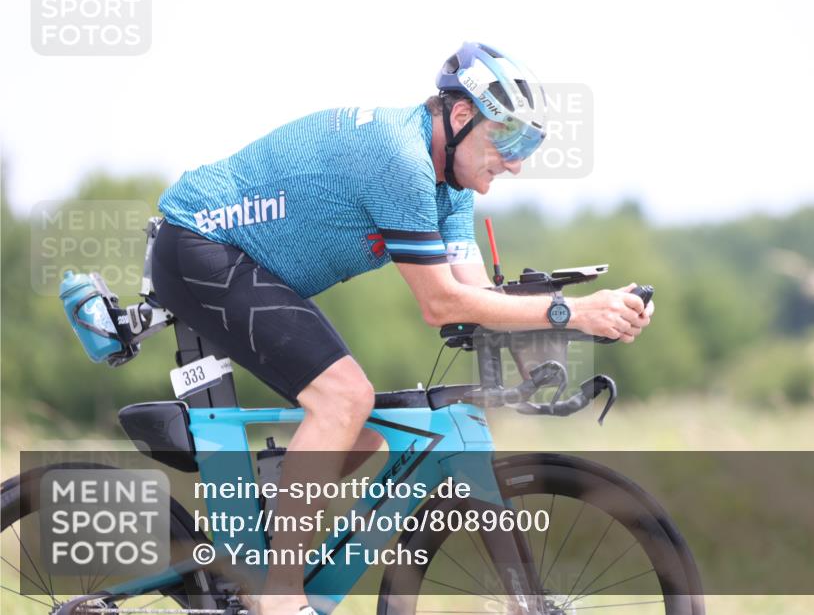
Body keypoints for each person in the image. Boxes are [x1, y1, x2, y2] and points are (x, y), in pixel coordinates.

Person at [150, 41, 654, 615]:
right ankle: (280, 596)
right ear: (461, 116)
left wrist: (576, 332)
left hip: (245, 262)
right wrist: (572, 312)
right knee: (344, 398)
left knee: (365, 428)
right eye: (509, 140)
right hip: (200, 245)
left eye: (528, 148)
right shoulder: (400, 159)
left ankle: (264, 534)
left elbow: (475, 300)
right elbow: (441, 303)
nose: (515, 163)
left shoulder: (450, 189)